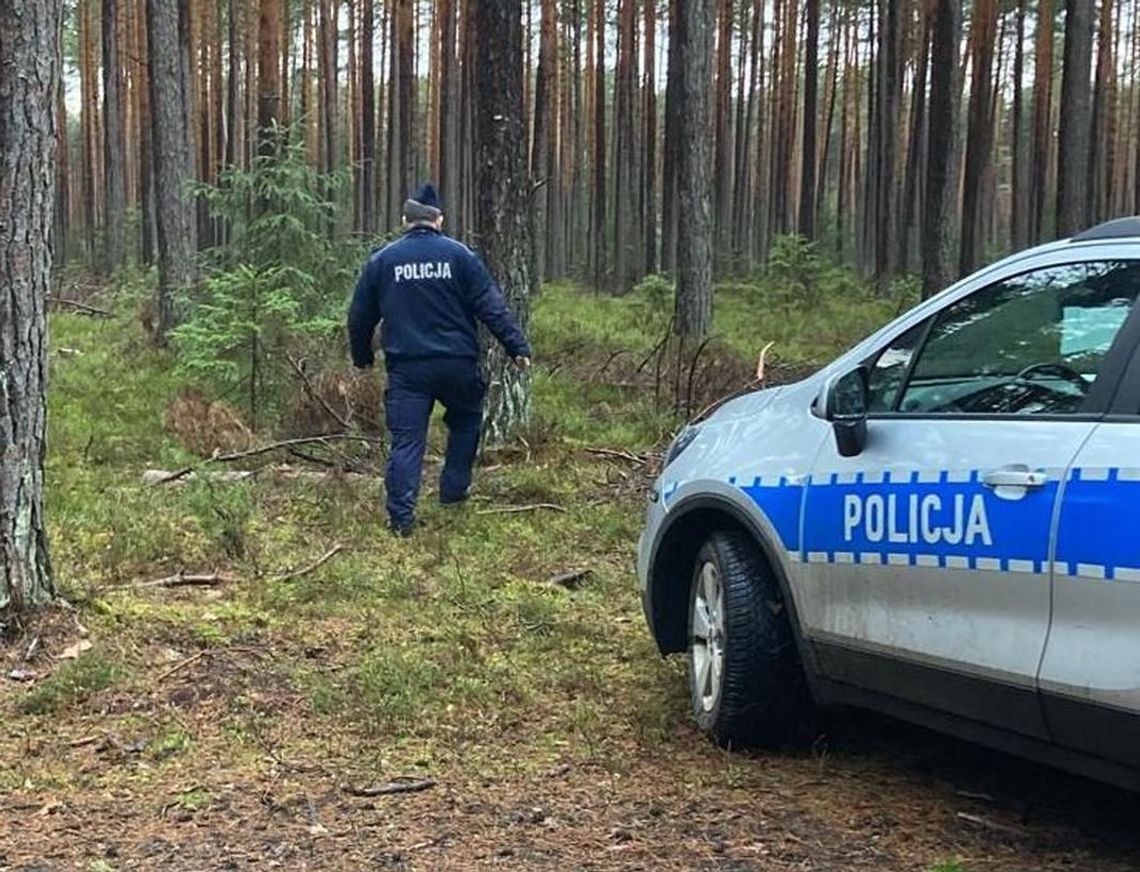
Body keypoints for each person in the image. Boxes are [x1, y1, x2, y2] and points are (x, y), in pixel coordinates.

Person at [347, 183, 532, 536]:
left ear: (405, 220)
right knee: (466, 423)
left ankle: (401, 520)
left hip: (407, 370)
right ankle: (453, 494)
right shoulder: (461, 256)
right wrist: (516, 347)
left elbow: (359, 316)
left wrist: (362, 358)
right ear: (439, 220)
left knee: (406, 441)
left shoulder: (383, 260)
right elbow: (491, 306)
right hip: (457, 365)